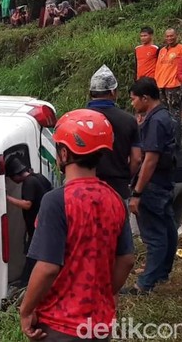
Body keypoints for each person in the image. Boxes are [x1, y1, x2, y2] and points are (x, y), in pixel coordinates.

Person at [19, 109, 135, 340]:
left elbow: (48, 268)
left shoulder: (56, 201)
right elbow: (127, 259)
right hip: (100, 324)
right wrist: (104, 293)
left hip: (60, 324)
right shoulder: (115, 199)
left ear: (63, 153)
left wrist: (26, 309)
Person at [125, 77, 178, 294]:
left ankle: (144, 285)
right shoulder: (165, 116)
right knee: (167, 228)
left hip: (152, 184)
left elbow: (150, 159)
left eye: (134, 99)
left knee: (155, 235)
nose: (133, 104)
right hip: (164, 181)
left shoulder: (155, 121)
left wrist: (137, 192)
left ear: (146, 98)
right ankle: (162, 272)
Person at [87, 65, 142, 202]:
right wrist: (123, 176)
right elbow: (136, 159)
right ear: (113, 92)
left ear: (91, 93)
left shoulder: (79, 118)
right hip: (118, 188)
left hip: (86, 189)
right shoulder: (129, 120)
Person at [5, 157, 52, 287]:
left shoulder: (28, 182)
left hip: (38, 227)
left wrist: (7, 198)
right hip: (45, 224)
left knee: (32, 256)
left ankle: (25, 284)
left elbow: (27, 204)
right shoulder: (38, 177)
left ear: (16, 175)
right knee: (33, 254)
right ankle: (27, 282)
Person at [155, 28, 182, 119]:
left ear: (176, 36)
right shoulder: (162, 50)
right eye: (167, 36)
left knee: (175, 112)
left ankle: (177, 132)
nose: (169, 38)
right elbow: (158, 67)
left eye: (171, 36)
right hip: (161, 85)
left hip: (174, 85)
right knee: (163, 110)